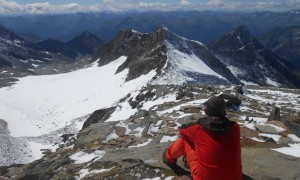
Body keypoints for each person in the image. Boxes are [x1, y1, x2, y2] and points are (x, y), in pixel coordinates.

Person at [162, 96, 242, 180]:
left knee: (185, 140)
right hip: (235, 178)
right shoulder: (235, 128)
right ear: (224, 112)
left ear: (206, 111)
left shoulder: (198, 128)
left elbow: (182, 131)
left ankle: (168, 158)